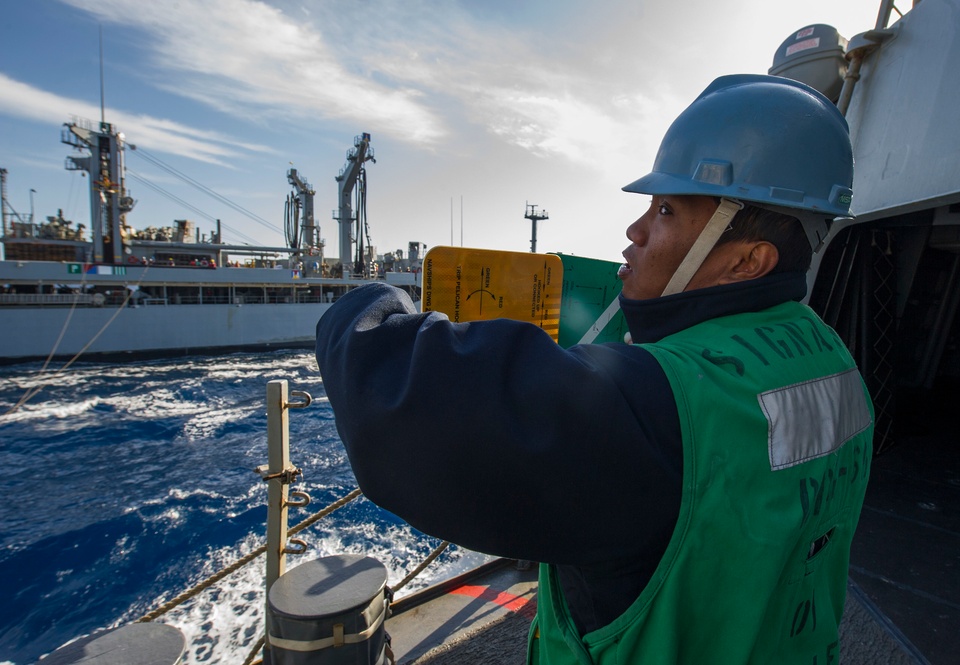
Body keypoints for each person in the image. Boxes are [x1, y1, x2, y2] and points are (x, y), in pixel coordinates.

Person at [316, 74, 874, 664]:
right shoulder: (832, 355)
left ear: (745, 260)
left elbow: (389, 398)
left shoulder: (660, 404)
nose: (634, 232)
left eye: (665, 210)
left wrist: (367, 304)